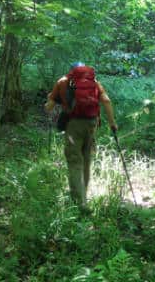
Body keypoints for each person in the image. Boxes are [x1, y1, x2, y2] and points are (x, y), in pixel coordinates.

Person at [44, 62, 118, 208]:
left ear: (71, 71)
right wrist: (112, 123)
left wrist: (48, 103)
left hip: (74, 125)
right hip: (92, 124)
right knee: (86, 159)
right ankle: (84, 195)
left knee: (74, 161)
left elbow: (50, 107)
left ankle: (80, 203)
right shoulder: (94, 82)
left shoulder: (62, 82)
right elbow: (107, 101)